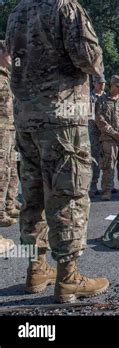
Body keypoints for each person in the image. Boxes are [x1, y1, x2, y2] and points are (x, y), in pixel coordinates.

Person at [6, 0, 109, 303]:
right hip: (62, 117)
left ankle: (35, 269)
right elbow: (89, 58)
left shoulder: (17, 12)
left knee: (32, 198)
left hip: (26, 118)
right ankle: (68, 278)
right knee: (68, 196)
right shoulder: (65, 6)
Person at [95, 75, 119, 201]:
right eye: (118, 87)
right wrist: (113, 133)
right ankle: (106, 190)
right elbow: (99, 120)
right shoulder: (101, 101)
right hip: (109, 139)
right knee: (108, 165)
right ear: (111, 85)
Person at [0, 39, 20, 227]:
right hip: (1, 131)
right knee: (1, 171)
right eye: (8, 53)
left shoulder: (7, 76)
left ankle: (9, 204)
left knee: (11, 169)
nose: (11, 57)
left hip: (10, 130)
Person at [89, 74, 106, 196]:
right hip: (94, 133)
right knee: (94, 160)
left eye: (103, 83)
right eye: (99, 83)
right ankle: (93, 185)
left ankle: (106, 184)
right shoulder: (89, 97)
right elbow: (90, 116)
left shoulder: (107, 97)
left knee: (107, 159)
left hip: (107, 133)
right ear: (94, 83)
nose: (102, 85)